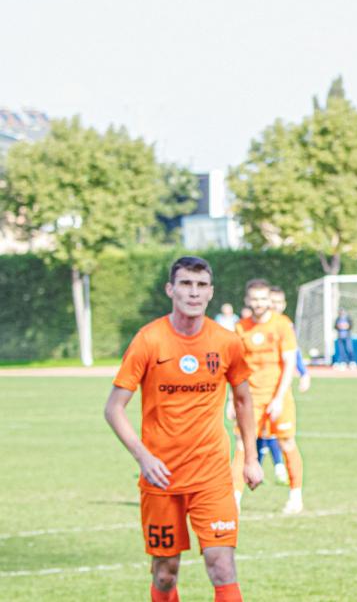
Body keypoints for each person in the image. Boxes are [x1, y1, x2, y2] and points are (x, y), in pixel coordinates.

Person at [103, 256, 262, 602]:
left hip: (212, 475)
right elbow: (113, 408)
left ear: (211, 292)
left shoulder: (226, 342)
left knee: (222, 566)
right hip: (161, 478)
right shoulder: (149, 340)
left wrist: (251, 458)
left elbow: (243, 401)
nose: (193, 292)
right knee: (165, 573)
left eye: (201, 285)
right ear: (170, 289)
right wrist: (143, 458)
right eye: (186, 284)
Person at [232, 279, 306, 513]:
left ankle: (295, 496)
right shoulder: (240, 327)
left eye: (263, 298)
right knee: (242, 444)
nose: (259, 303)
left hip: (277, 397)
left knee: (287, 442)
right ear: (247, 300)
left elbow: (289, 363)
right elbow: (235, 366)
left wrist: (278, 398)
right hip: (249, 398)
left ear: (268, 300)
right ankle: (234, 500)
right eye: (254, 299)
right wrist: (232, 400)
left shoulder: (282, 325)